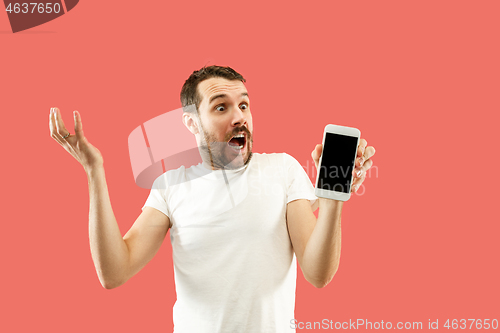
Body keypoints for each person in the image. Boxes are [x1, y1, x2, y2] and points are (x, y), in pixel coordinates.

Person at [49, 65, 376, 333]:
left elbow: (318, 274)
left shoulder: (283, 170)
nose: (239, 117)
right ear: (191, 122)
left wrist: (332, 202)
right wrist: (95, 172)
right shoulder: (170, 185)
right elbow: (114, 272)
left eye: (244, 105)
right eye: (221, 107)